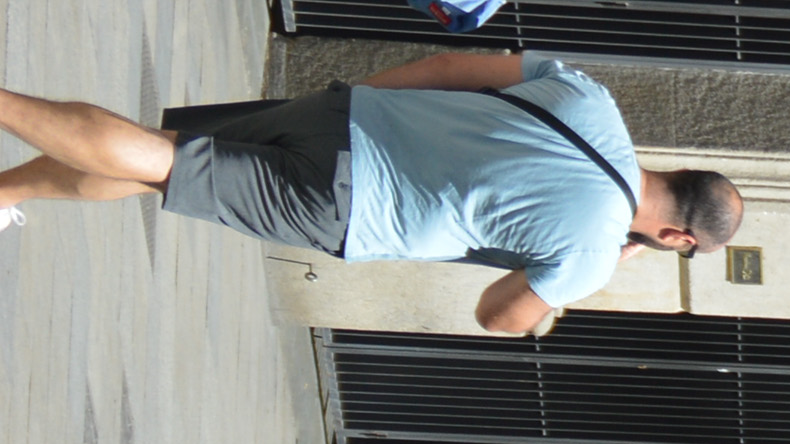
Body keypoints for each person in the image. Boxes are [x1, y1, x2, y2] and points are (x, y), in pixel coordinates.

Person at [0, 51, 739, 335]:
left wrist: (358, 99)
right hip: (348, 206)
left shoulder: (591, 100)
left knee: (164, 169)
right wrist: (565, 296)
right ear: (677, 237)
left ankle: (5, 191)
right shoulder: (588, 255)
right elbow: (498, 316)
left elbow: (454, 65)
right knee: (164, 162)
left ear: (678, 171)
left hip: (345, 118)